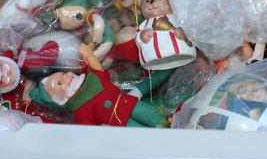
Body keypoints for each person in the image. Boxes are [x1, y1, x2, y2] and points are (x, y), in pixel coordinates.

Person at [28, 43, 168, 127]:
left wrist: (88, 55)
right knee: (141, 136)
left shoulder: (92, 80)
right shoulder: (80, 111)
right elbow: (90, 133)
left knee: (154, 117)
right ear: (59, 99)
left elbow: (96, 67)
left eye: (64, 74)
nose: (67, 76)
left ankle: (171, 127)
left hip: (129, 103)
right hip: (120, 124)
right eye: (60, 83)